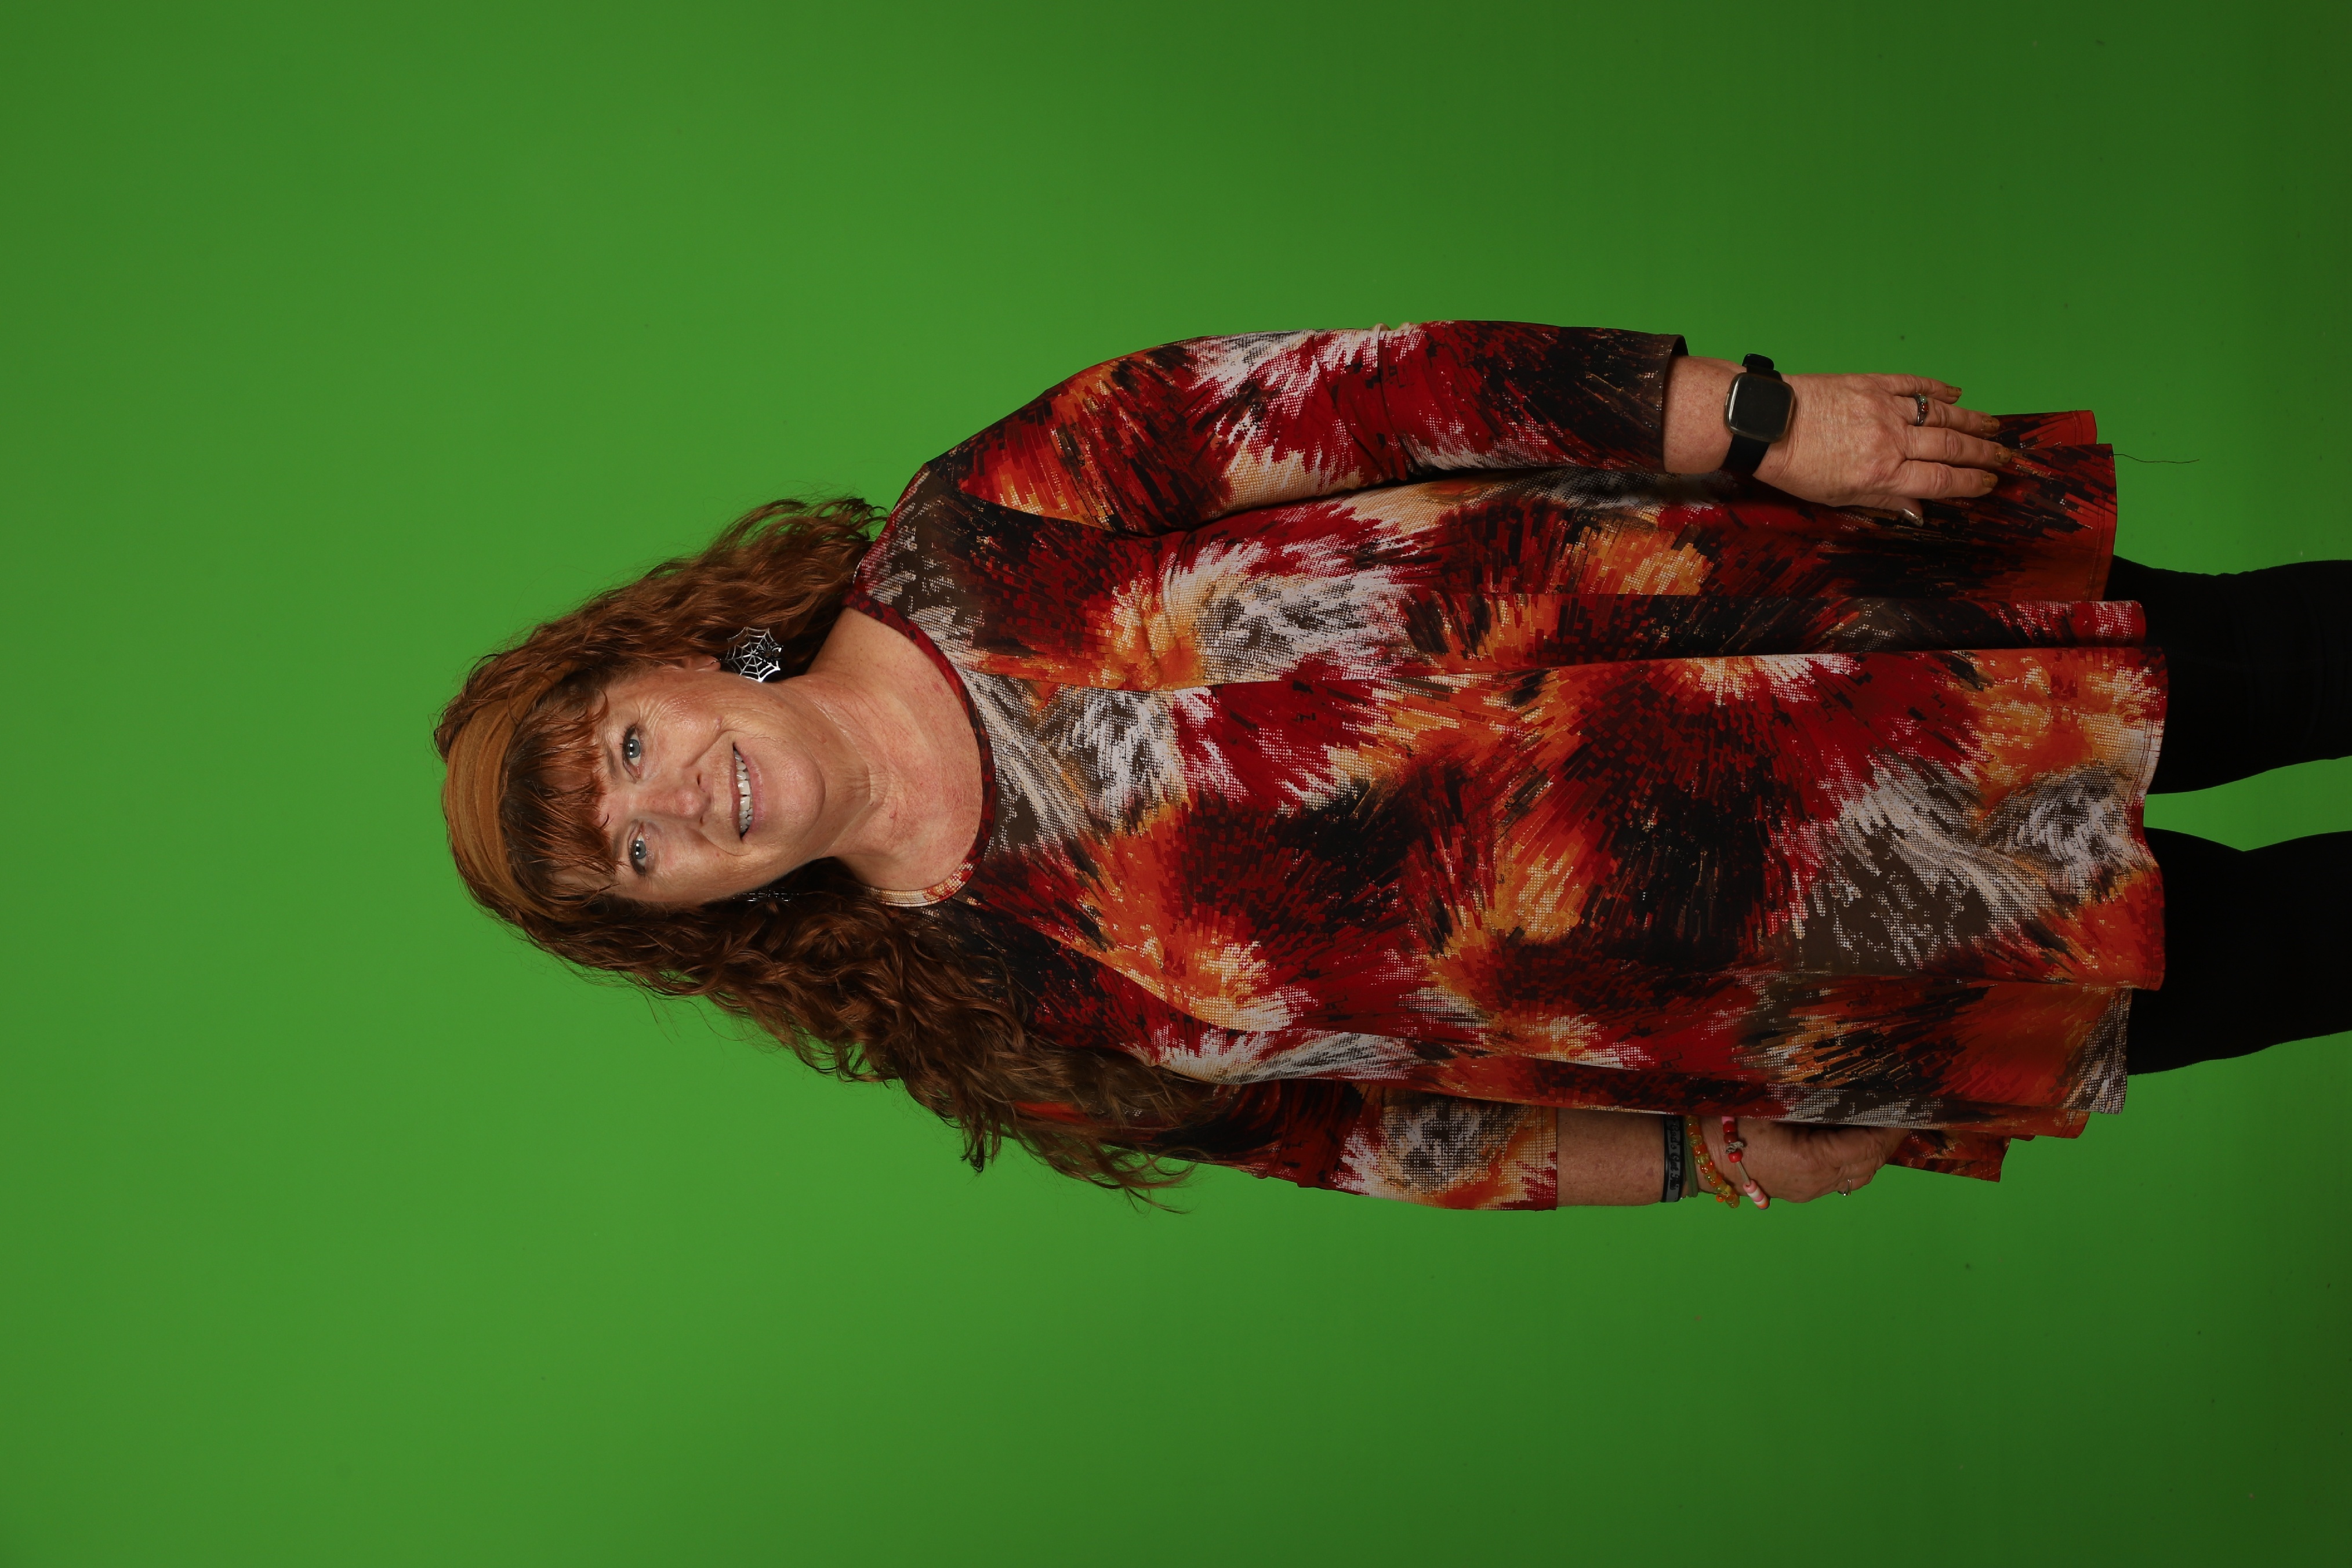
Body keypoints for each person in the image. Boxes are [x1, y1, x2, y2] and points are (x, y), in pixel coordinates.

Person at [437, 322, 2351, 1210]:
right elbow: (1362, 1140)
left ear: (675, 657)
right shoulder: (995, 1012)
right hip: (1810, 975)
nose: (669, 804)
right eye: (634, 854)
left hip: (1839, 667)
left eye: (627, 750)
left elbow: (1382, 396)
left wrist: (1767, 424)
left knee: (2302, 662)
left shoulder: (991, 521)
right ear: (691, 916)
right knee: (2306, 952)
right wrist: (1694, 1159)